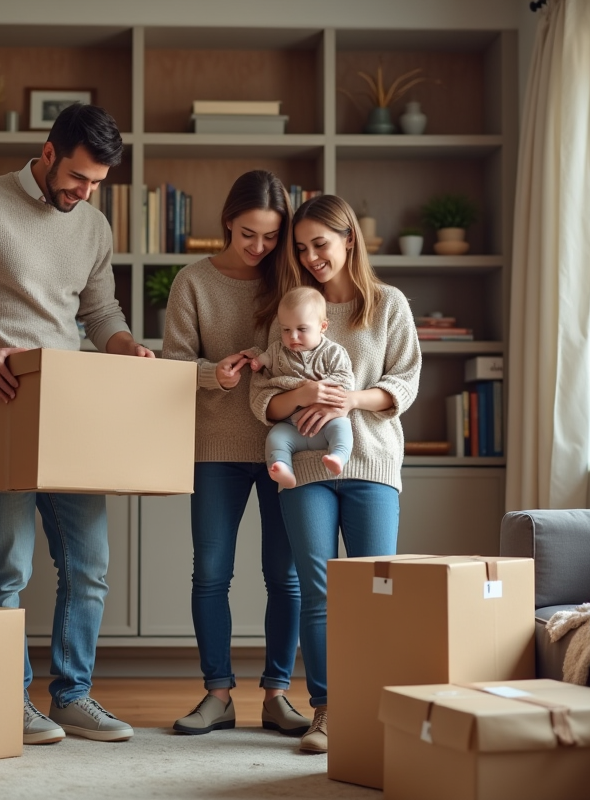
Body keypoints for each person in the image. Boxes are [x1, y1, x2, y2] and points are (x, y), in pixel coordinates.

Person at [0, 103, 153, 745]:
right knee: (8, 565)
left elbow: (100, 314)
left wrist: (127, 348)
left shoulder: (93, 225)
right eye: (77, 177)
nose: (84, 192)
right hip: (2, 404)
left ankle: (72, 697)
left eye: (97, 183)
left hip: (73, 412)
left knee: (89, 565)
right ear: (47, 152)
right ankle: (4, 699)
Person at [249, 194, 420, 754]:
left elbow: (405, 383)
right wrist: (297, 394)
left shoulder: (389, 304)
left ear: (350, 239)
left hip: (371, 463)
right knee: (317, 591)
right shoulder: (293, 312)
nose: (312, 256)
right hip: (303, 467)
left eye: (320, 244)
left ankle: (375, 710)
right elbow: (264, 401)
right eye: (301, 248)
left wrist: (348, 399)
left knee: (375, 591)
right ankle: (328, 711)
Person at [162, 170, 308, 739]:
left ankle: (277, 695)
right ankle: (217, 694)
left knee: (285, 577)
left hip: (285, 447)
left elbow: (315, 344)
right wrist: (212, 373)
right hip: (215, 448)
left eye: (271, 237)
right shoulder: (192, 281)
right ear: (228, 221)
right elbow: (174, 363)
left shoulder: (288, 281)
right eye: (249, 234)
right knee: (211, 575)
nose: (259, 248)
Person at [250, 286, 355, 489]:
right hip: (292, 426)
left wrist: (319, 389)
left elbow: (346, 379)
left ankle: (338, 456)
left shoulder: (333, 352)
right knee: (275, 437)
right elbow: (267, 357)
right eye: (286, 329)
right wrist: (258, 362)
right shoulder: (279, 350)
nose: (293, 337)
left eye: (302, 329)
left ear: (323, 326)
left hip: (326, 423)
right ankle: (282, 467)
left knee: (343, 427)